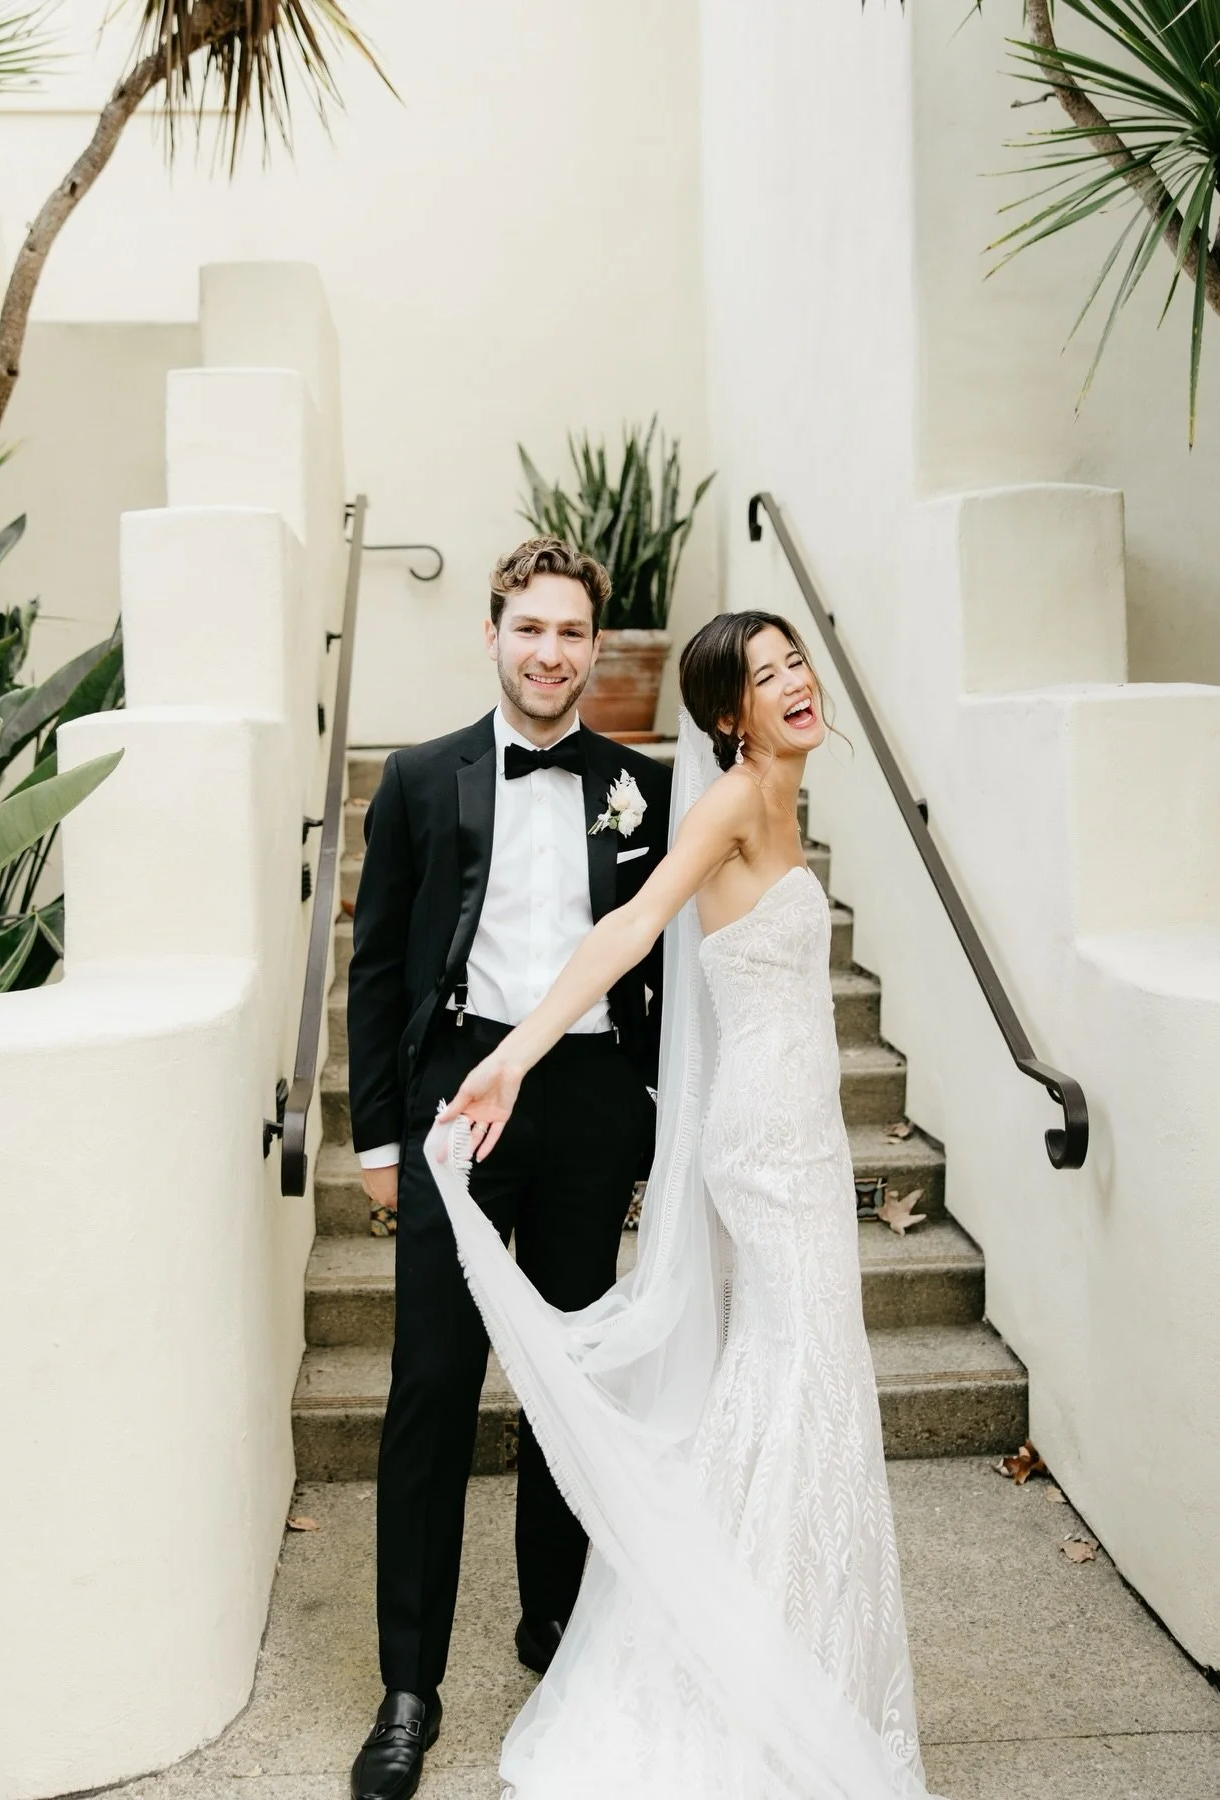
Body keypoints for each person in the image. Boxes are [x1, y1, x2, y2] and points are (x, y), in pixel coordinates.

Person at [427, 610, 935, 1798]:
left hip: (799, 1132)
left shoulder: (783, 800)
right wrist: (516, 1055)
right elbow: (629, 925)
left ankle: (802, 1663)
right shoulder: (736, 800)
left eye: (796, 661)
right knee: (799, 1381)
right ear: (727, 717)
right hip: (765, 1147)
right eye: (765, 677)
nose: (796, 684)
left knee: (798, 1382)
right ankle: (759, 1684)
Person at [345, 537, 672, 1800]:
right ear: (493, 634)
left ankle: (557, 1631)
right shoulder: (422, 780)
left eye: (572, 633)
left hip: (588, 1106)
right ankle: (409, 1685)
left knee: (569, 1380)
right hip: (458, 1105)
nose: (550, 653)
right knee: (432, 1382)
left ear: (597, 648)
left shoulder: (635, 787)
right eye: (530, 628)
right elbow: (377, 973)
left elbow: (657, 973)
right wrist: (382, 1139)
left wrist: (647, 1114)